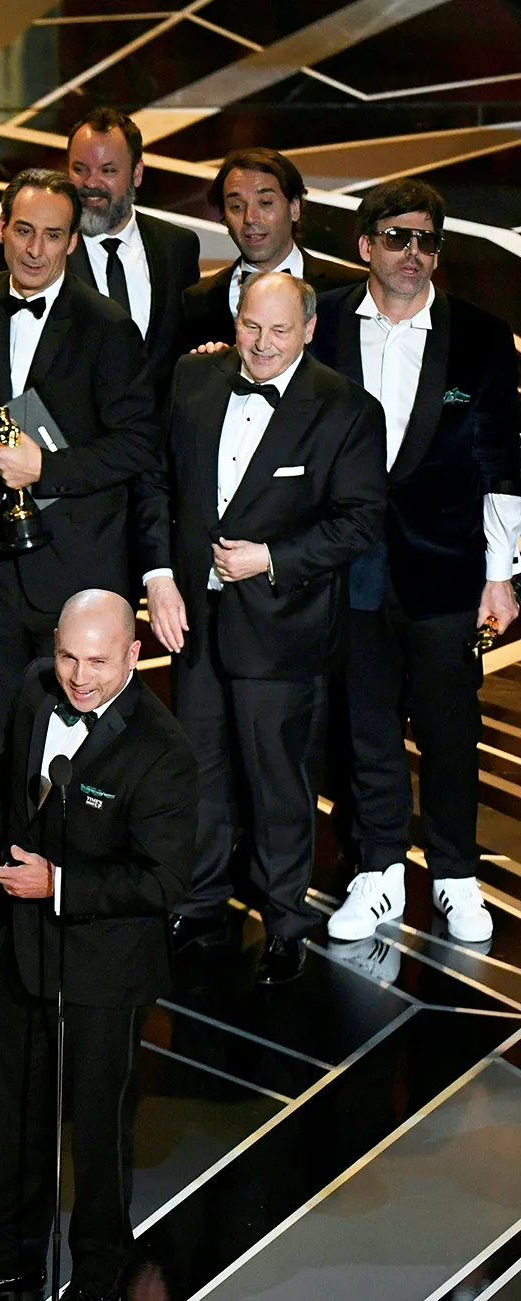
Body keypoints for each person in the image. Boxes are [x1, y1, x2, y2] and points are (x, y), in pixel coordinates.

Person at [0, 591, 195, 1301]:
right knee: (17, 1111)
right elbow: (0, 780)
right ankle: (12, 1252)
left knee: (97, 1129)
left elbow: (163, 880)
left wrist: (61, 883)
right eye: (69, 655)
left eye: (97, 660)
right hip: (28, 947)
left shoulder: (163, 750)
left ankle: (97, 1274)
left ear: (134, 653)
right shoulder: (37, 689)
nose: (79, 675)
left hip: (106, 969)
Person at [135, 272, 386, 984]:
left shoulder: (347, 409)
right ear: (235, 319)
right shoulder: (192, 375)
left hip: (283, 627)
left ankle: (283, 921)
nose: (263, 344)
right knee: (201, 769)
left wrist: (272, 558)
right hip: (193, 618)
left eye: (280, 331)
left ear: (309, 330)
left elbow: (360, 520)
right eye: (252, 327)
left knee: (278, 782)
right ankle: (202, 902)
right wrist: (159, 578)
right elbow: (156, 481)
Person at [309, 180, 519, 946]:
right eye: (397, 237)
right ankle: (380, 872)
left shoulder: (482, 336)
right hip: (348, 568)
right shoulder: (321, 320)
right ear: (366, 244)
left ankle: (458, 877)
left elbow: (503, 462)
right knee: (365, 731)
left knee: (450, 731)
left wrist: (500, 574)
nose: (413, 253)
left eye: (428, 240)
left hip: (447, 569)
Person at [0, 169, 162, 790]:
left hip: (74, 566)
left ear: (72, 242)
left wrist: (48, 469)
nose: (35, 249)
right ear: (0, 231)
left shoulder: (107, 326)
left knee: (70, 742)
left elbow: (137, 444)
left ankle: (60, 874)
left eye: (52, 235)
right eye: (23, 231)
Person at [63, 108, 202, 400]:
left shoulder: (177, 247)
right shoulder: (46, 251)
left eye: (108, 170)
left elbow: (187, 354)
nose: (91, 183)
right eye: (80, 169)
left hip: (158, 440)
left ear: (137, 173)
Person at [178, 148, 365, 352]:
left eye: (265, 203)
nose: (250, 218)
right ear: (223, 217)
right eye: (236, 206)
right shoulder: (198, 302)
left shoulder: (350, 290)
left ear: (295, 208)